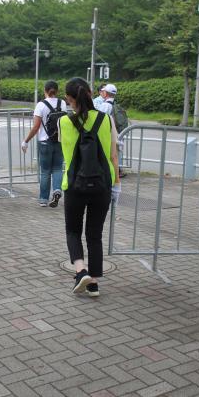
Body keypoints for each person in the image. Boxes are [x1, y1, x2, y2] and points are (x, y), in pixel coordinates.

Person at [59, 77, 121, 297]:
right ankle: (93, 283)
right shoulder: (106, 119)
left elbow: (65, 151)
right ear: (90, 92)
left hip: (74, 184)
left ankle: (80, 271)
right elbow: (113, 155)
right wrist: (116, 185)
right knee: (94, 234)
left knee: (73, 231)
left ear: (69, 99)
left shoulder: (63, 122)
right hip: (102, 184)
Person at [21, 80, 66, 207]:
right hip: (59, 141)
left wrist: (26, 141)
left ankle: (43, 200)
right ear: (57, 91)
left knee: (45, 171)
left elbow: (36, 127)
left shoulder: (41, 105)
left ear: (45, 90)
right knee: (58, 168)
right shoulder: (62, 103)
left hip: (45, 141)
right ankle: (57, 190)